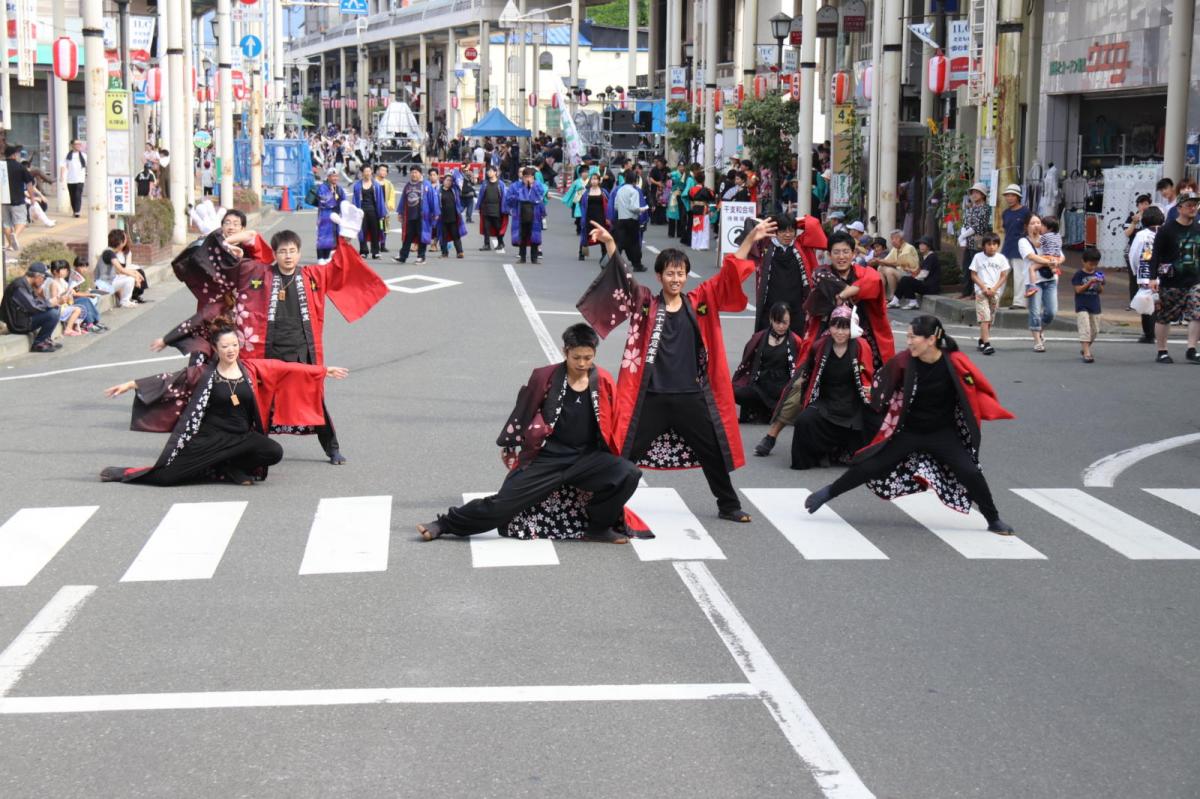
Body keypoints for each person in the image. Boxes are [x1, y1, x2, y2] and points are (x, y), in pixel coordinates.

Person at [158, 202, 387, 463]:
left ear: (299, 253)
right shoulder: (258, 272)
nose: (288, 256)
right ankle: (252, 447)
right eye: (282, 251)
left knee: (313, 397)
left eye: (292, 251)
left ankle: (331, 447)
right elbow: (239, 256)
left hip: (302, 349)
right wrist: (217, 242)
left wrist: (345, 238)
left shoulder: (313, 276)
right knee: (259, 401)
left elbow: (339, 269)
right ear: (275, 254)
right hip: (266, 351)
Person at [576, 219, 772, 523]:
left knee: (713, 451)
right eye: (670, 273)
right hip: (652, 395)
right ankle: (602, 503)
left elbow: (729, 275)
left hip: (691, 395)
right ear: (659, 276)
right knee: (626, 450)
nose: (676, 278)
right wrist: (610, 243)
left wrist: (750, 240)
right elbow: (624, 279)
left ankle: (729, 505)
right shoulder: (645, 304)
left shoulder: (700, 301)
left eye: (681, 273)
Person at [417, 324, 644, 544]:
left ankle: (598, 527)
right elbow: (524, 410)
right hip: (547, 459)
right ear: (565, 352)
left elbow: (613, 423)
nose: (582, 363)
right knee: (502, 504)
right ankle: (444, 524)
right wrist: (510, 444)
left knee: (628, 474)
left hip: (586, 458)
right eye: (576, 357)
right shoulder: (545, 377)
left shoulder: (602, 380)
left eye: (588, 357)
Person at [805, 314, 1016, 535]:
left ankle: (993, 519)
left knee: (970, 472)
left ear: (931, 340)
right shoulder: (904, 362)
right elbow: (879, 384)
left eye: (913, 337)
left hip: (942, 433)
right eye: (907, 336)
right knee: (870, 466)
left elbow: (975, 388)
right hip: (909, 431)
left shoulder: (954, 362)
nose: (908, 342)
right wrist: (873, 395)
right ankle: (827, 493)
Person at [101, 323, 348, 486]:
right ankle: (121, 473)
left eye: (234, 345)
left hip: (241, 438)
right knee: (167, 477)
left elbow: (286, 368)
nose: (231, 350)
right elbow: (169, 379)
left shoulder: (251, 368)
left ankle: (230, 466)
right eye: (225, 346)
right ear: (216, 349)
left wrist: (323, 370)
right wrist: (131, 384)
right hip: (210, 438)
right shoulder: (203, 373)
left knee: (273, 452)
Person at [755, 305, 877, 468]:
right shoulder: (819, 346)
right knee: (805, 421)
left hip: (853, 404)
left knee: (875, 423)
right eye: (836, 327)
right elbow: (809, 373)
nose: (840, 332)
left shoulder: (862, 346)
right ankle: (814, 454)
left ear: (852, 328)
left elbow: (868, 377)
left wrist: (870, 391)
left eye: (845, 328)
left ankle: (840, 451)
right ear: (830, 327)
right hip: (826, 402)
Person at [803, 232, 896, 371]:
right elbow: (821, 278)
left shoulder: (864, 272)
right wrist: (856, 289)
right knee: (816, 368)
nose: (841, 257)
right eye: (836, 252)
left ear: (853, 253)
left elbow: (876, 281)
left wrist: (844, 294)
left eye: (846, 252)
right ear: (829, 255)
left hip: (861, 332)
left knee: (871, 369)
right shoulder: (822, 272)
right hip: (829, 332)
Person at [751, 213, 827, 336]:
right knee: (769, 341)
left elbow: (813, 224)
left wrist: (795, 221)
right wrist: (773, 222)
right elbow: (750, 224)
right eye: (782, 231)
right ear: (775, 231)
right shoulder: (765, 246)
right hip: (770, 304)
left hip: (797, 306)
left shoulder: (800, 246)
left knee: (797, 342)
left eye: (791, 231)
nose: (787, 235)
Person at [1148, 189, 1200, 364]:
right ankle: (1162, 351)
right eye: (1189, 205)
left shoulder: (1198, 228)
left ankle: (1191, 349)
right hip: (1171, 280)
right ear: (1179, 208)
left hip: (1195, 280)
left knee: (1197, 313)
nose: (1193, 208)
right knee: (1165, 316)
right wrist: (1152, 277)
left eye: (1196, 205)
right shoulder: (1166, 229)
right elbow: (1155, 254)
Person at [732, 302, 803, 424]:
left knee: (796, 396)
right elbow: (747, 362)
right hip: (759, 385)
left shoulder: (796, 340)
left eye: (784, 322)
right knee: (734, 392)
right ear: (771, 320)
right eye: (778, 322)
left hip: (782, 388)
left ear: (790, 321)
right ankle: (764, 410)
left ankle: (767, 411)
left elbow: (802, 367)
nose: (781, 326)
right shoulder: (758, 338)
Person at [1019, 213, 1061, 353]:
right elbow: (1031, 256)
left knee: (1051, 312)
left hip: (1050, 280)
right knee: (1035, 312)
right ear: (1027, 226)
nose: (1036, 225)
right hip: (1034, 281)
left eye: (1039, 223)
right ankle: (1037, 340)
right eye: (1033, 223)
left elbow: (1061, 256)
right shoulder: (1023, 242)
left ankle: (1040, 330)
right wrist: (1050, 261)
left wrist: (1056, 261)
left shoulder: (1048, 237)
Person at [0, 262, 60, 352]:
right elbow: (33, 307)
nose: (43, 281)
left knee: (54, 309)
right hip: (18, 324)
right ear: (37, 276)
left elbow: (36, 302)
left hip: (24, 319)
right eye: (43, 278)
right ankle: (39, 343)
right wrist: (50, 303)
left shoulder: (26, 284)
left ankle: (46, 339)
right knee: (53, 313)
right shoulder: (19, 286)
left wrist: (52, 302)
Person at [968, 232, 1009, 356]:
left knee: (989, 318)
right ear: (984, 245)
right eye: (989, 244)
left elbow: (1003, 276)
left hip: (995, 292)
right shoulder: (978, 257)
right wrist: (984, 287)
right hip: (981, 292)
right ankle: (987, 344)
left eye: (994, 244)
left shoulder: (1001, 258)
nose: (992, 247)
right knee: (984, 317)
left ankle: (982, 339)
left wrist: (994, 288)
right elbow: (973, 275)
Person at [1128, 204, 1163, 344]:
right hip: (1164, 273)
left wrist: (1135, 270)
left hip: (1146, 271)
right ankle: (1160, 331)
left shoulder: (1142, 234)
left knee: (1146, 301)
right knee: (1161, 303)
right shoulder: (1166, 232)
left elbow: (1134, 254)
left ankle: (1149, 333)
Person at [394, 165, 437, 265]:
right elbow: (403, 199)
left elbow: (433, 200)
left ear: (420, 174)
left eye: (416, 172)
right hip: (410, 216)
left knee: (422, 236)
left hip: (423, 216)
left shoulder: (426, 185)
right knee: (407, 236)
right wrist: (400, 213)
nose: (414, 174)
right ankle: (402, 256)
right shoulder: (408, 185)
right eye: (412, 172)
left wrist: (435, 213)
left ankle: (421, 257)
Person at [957, 182, 993, 298]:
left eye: (977, 192)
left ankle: (975, 292)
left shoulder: (985, 208)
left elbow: (978, 226)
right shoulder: (971, 208)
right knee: (966, 267)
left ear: (983, 195)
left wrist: (963, 236)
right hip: (968, 242)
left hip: (978, 242)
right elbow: (965, 223)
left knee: (977, 268)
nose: (974, 195)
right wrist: (962, 236)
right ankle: (965, 291)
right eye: (973, 192)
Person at [505, 167, 546, 264]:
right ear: (522, 177)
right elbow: (508, 199)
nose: (528, 179)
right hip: (520, 214)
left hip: (534, 214)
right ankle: (522, 257)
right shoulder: (516, 186)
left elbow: (541, 195)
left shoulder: (537, 185)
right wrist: (519, 194)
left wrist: (532, 186)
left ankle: (534, 258)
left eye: (530, 176)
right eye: (526, 176)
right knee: (522, 236)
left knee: (534, 236)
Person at [1000, 184, 1032, 309]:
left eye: (1012, 195)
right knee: (1001, 274)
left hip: (1021, 248)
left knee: (1020, 276)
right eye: (1007, 195)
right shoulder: (1005, 213)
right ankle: (994, 299)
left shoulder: (1025, 211)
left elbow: (1029, 228)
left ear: (1018, 197)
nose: (1009, 198)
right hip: (1007, 246)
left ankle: (1020, 303)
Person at [612, 168, 648, 271]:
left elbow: (616, 206)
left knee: (620, 243)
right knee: (634, 244)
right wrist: (643, 209)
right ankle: (637, 264)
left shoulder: (619, 190)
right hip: (632, 220)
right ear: (635, 180)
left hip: (621, 219)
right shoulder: (634, 191)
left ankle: (613, 262)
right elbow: (634, 207)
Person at [1072, 247, 1104, 363]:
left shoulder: (1099, 274)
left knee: (1095, 330)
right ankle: (1087, 353)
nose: (1093, 267)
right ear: (1083, 261)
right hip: (1082, 305)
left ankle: (1086, 348)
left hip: (1095, 305)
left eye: (1095, 264)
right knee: (1085, 327)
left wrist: (1099, 284)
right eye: (1090, 264)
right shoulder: (1078, 275)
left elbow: (1100, 291)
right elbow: (1078, 290)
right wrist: (1090, 282)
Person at [94, 230, 141, 307]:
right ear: (121, 242)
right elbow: (121, 270)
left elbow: (120, 271)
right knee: (130, 279)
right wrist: (135, 276)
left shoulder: (109, 251)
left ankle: (125, 300)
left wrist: (135, 273)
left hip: (105, 282)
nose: (126, 241)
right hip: (104, 285)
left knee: (129, 277)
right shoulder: (109, 253)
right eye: (125, 239)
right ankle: (125, 301)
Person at [893, 237, 941, 310]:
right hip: (926, 285)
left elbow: (923, 274)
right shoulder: (927, 256)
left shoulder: (931, 257)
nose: (921, 246)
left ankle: (912, 302)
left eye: (923, 244)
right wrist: (910, 272)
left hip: (930, 287)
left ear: (929, 246)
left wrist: (912, 279)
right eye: (920, 244)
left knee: (906, 280)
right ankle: (895, 301)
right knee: (905, 279)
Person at [309, 169, 345, 262]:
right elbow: (323, 200)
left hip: (336, 216)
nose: (335, 178)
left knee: (333, 237)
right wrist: (332, 197)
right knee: (323, 237)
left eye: (336, 176)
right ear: (328, 177)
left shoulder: (339, 188)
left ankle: (328, 256)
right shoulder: (323, 187)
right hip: (325, 216)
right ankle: (321, 257)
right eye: (333, 176)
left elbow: (343, 201)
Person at [876, 229, 920, 305]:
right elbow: (886, 260)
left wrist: (881, 261)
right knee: (880, 268)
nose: (893, 241)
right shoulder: (895, 249)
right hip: (900, 273)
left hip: (909, 275)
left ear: (902, 239)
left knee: (889, 271)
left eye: (895, 238)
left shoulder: (909, 248)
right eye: (892, 238)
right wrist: (879, 261)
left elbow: (898, 263)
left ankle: (894, 298)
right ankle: (882, 297)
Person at [351, 164, 385, 259]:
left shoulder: (376, 185)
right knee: (362, 232)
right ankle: (363, 251)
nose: (368, 173)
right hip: (361, 211)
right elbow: (354, 200)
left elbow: (380, 200)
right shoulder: (357, 186)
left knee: (375, 231)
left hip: (373, 211)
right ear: (362, 173)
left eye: (369, 171)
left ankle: (376, 251)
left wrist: (382, 213)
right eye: (366, 171)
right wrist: (354, 212)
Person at [65, 256, 107, 333]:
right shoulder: (73, 276)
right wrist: (87, 294)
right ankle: (90, 324)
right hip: (69, 301)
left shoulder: (77, 276)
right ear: (75, 266)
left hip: (74, 299)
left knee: (94, 298)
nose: (84, 269)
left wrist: (89, 292)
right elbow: (73, 294)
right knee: (85, 300)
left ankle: (95, 322)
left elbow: (76, 291)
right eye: (81, 266)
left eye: (85, 267)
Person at [3, 145, 32, 251]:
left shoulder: (1, 166)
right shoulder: (20, 167)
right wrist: (32, 198)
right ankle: (15, 234)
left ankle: (10, 245)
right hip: (18, 199)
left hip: (3, 200)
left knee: (6, 223)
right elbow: (29, 184)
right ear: (15, 155)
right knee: (22, 221)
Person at [45, 260, 85, 337]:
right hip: (58, 308)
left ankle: (75, 326)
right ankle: (68, 329)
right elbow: (54, 299)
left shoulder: (62, 280)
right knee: (77, 309)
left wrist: (70, 291)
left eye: (66, 269)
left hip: (65, 304)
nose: (66, 271)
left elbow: (67, 291)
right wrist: (65, 293)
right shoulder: (53, 283)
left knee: (80, 307)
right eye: (63, 269)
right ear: (55, 271)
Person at [577, 172, 610, 261]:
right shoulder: (586, 193)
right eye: (592, 179)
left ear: (599, 181)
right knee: (585, 234)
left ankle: (604, 254)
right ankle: (582, 253)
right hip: (589, 217)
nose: (594, 181)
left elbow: (608, 204)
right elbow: (582, 205)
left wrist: (608, 217)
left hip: (601, 217)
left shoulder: (604, 192)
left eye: (596, 179)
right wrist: (583, 218)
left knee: (602, 235)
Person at [476, 165, 508, 253]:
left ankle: (501, 243)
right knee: (486, 227)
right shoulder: (485, 183)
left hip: (496, 209)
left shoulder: (500, 184)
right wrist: (479, 206)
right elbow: (481, 196)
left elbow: (504, 197)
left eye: (491, 171)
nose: (489, 173)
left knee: (498, 227)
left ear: (495, 173)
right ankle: (486, 244)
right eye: (488, 171)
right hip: (486, 208)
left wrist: (504, 208)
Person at [436, 172, 467, 258]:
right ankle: (444, 253)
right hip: (442, 218)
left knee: (456, 235)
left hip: (453, 217)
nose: (449, 182)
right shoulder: (439, 191)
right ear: (443, 181)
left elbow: (459, 178)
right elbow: (435, 203)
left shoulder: (454, 189)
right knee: (443, 236)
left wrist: (452, 174)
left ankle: (460, 252)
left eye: (451, 180)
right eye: (447, 180)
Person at [60, 139, 87, 216]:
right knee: (72, 196)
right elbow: (63, 166)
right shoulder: (68, 156)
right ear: (72, 145)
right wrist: (61, 176)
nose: (79, 145)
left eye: (80, 144)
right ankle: (75, 210)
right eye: (77, 144)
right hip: (71, 179)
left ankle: (77, 211)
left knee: (78, 195)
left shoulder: (84, 155)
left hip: (80, 179)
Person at [375, 164, 395, 252]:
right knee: (376, 227)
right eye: (381, 170)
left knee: (384, 227)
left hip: (384, 208)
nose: (383, 172)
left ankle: (382, 244)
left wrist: (390, 205)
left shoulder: (388, 184)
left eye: (385, 171)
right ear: (378, 171)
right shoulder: (373, 182)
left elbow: (392, 195)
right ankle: (375, 245)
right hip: (375, 208)